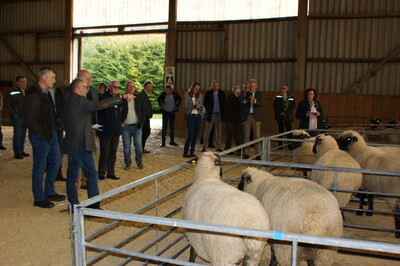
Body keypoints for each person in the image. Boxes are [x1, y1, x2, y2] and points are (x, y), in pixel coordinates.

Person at [61, 78, 133, 209]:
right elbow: (98, 105)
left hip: (72, 142)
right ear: (77, 88)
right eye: (84, 87)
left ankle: (72, 203)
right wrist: (120, 97)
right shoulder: (80, 100)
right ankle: (93, 205)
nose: (87, 89)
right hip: (81, 143)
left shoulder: (68, 99)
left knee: (72, 175)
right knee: (92, 174)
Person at [24, 67, 66, 208]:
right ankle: (39, 198)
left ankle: (49, 191)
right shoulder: (33, 94)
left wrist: (56, 125)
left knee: (56, 161)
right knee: (40, 167)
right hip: (41, 136)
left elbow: (50, 113)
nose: (54, 81)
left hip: (51, 133)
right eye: (52, 78)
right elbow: (30, 119)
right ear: (43, 78)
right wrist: (44, 133)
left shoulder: (46, 92)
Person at [97, 80, 123, 180]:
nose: (117, 89)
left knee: (113, 152)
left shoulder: (119, 98)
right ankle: (101, 173)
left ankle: (111, 172)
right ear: (109, 87)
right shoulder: (103, 97)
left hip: (116, 130)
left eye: (118, 87)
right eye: (115, 87)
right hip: (105, 130)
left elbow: (122, 111)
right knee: (104, 152)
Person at [121, 81, 144, 170]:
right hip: (125, 127)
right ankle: (128, 163)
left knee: (138, 146)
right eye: (129, 86)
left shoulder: (139, 98)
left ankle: (139, 162)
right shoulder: (122, 98)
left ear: (135, 88)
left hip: (137, 126)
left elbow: (144, 111)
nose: (131, 88)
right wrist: (120, 122)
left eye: (133, 86)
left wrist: (142, 122)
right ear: (126, 87)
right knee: (126, 147)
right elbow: (118, 111)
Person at [4, 76, 29, 158]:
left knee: (23, 135)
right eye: (22, 81)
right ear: (17, 83)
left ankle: (21, 151)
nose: (24, 83)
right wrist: (14, 113)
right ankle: (17, 153)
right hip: (17, 117)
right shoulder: (12, 92)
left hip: (25, 117)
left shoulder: (27, 92)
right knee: (17, 135)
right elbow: (7, 104)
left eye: (25, 81)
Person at [241, 79, 263, 160]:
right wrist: (244, 100)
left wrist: (254, 100)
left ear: (256, 86)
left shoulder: (259, 94)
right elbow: (241, 104)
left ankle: (258, 154)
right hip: (247, 117)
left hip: (256, 117)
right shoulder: (245, 94)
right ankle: (246, 153)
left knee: (257, 136)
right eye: (250, 86)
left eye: (253, 86)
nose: (251, 88)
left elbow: (261, 104)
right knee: (246, 136)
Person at [201, 80, 226, 152]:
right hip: (211, 114)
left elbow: (224, 103)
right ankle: (204, 147)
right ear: (211, 86)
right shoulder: (208, 93)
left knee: (218, 131)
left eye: (216, 85)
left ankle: (219, 146)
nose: (215, 87)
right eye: (214, 85)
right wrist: (209, 109)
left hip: (219, 114)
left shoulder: (222, 93)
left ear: (219, 86)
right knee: (207, 131)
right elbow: (205, 103)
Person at [49, 85, 66, 181]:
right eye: (52, 77)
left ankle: (58, 173)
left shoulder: (58, 91)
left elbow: (63, 106)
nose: (54, 80)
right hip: (46, 125)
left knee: (60, 149)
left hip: (58, 125)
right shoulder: (40, 92)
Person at [183, 82, 203, 158]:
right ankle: (185, 152)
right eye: (195, 88)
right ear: (192, 87)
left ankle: (192, 151)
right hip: (190, 116)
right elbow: (185, 107)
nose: (196, 90)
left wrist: (199, 107)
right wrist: (194, 106)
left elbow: (202, 105)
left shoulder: (200, 95)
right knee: (190, 133)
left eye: (198, 89)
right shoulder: (187, 95)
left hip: (197, 116)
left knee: (195, 134)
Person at [273, 84, 296, 148]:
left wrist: (287, 112)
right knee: (281, 130)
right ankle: (280, 145)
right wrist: (280, 112)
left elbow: (293, 106)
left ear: (287, 89)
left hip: (288, 116)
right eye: (281, 88)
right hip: (280, 116)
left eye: (284, 88)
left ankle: (289, 145)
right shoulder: (278, 97)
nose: (282, 89)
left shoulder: (291, 97)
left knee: (289, 130)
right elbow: (275, 106)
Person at [224, 85, 242, 153]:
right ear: (238, 92)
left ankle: (227, 149)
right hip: (233, 121)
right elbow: (236, 112)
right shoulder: (235, 99)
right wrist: (239, 120)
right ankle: (239, 150)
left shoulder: (229, 97)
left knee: (229, 135)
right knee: (237, 135)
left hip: (228, 120)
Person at [138, 81, 153, 153]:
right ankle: (140, 147)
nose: (151, 88)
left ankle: (141, 147)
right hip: (143, 117)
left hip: (146, 116)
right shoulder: (141, 94)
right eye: (150, 86)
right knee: (146, 132)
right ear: (147, 86)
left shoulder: (144, 94)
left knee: (146, 132)